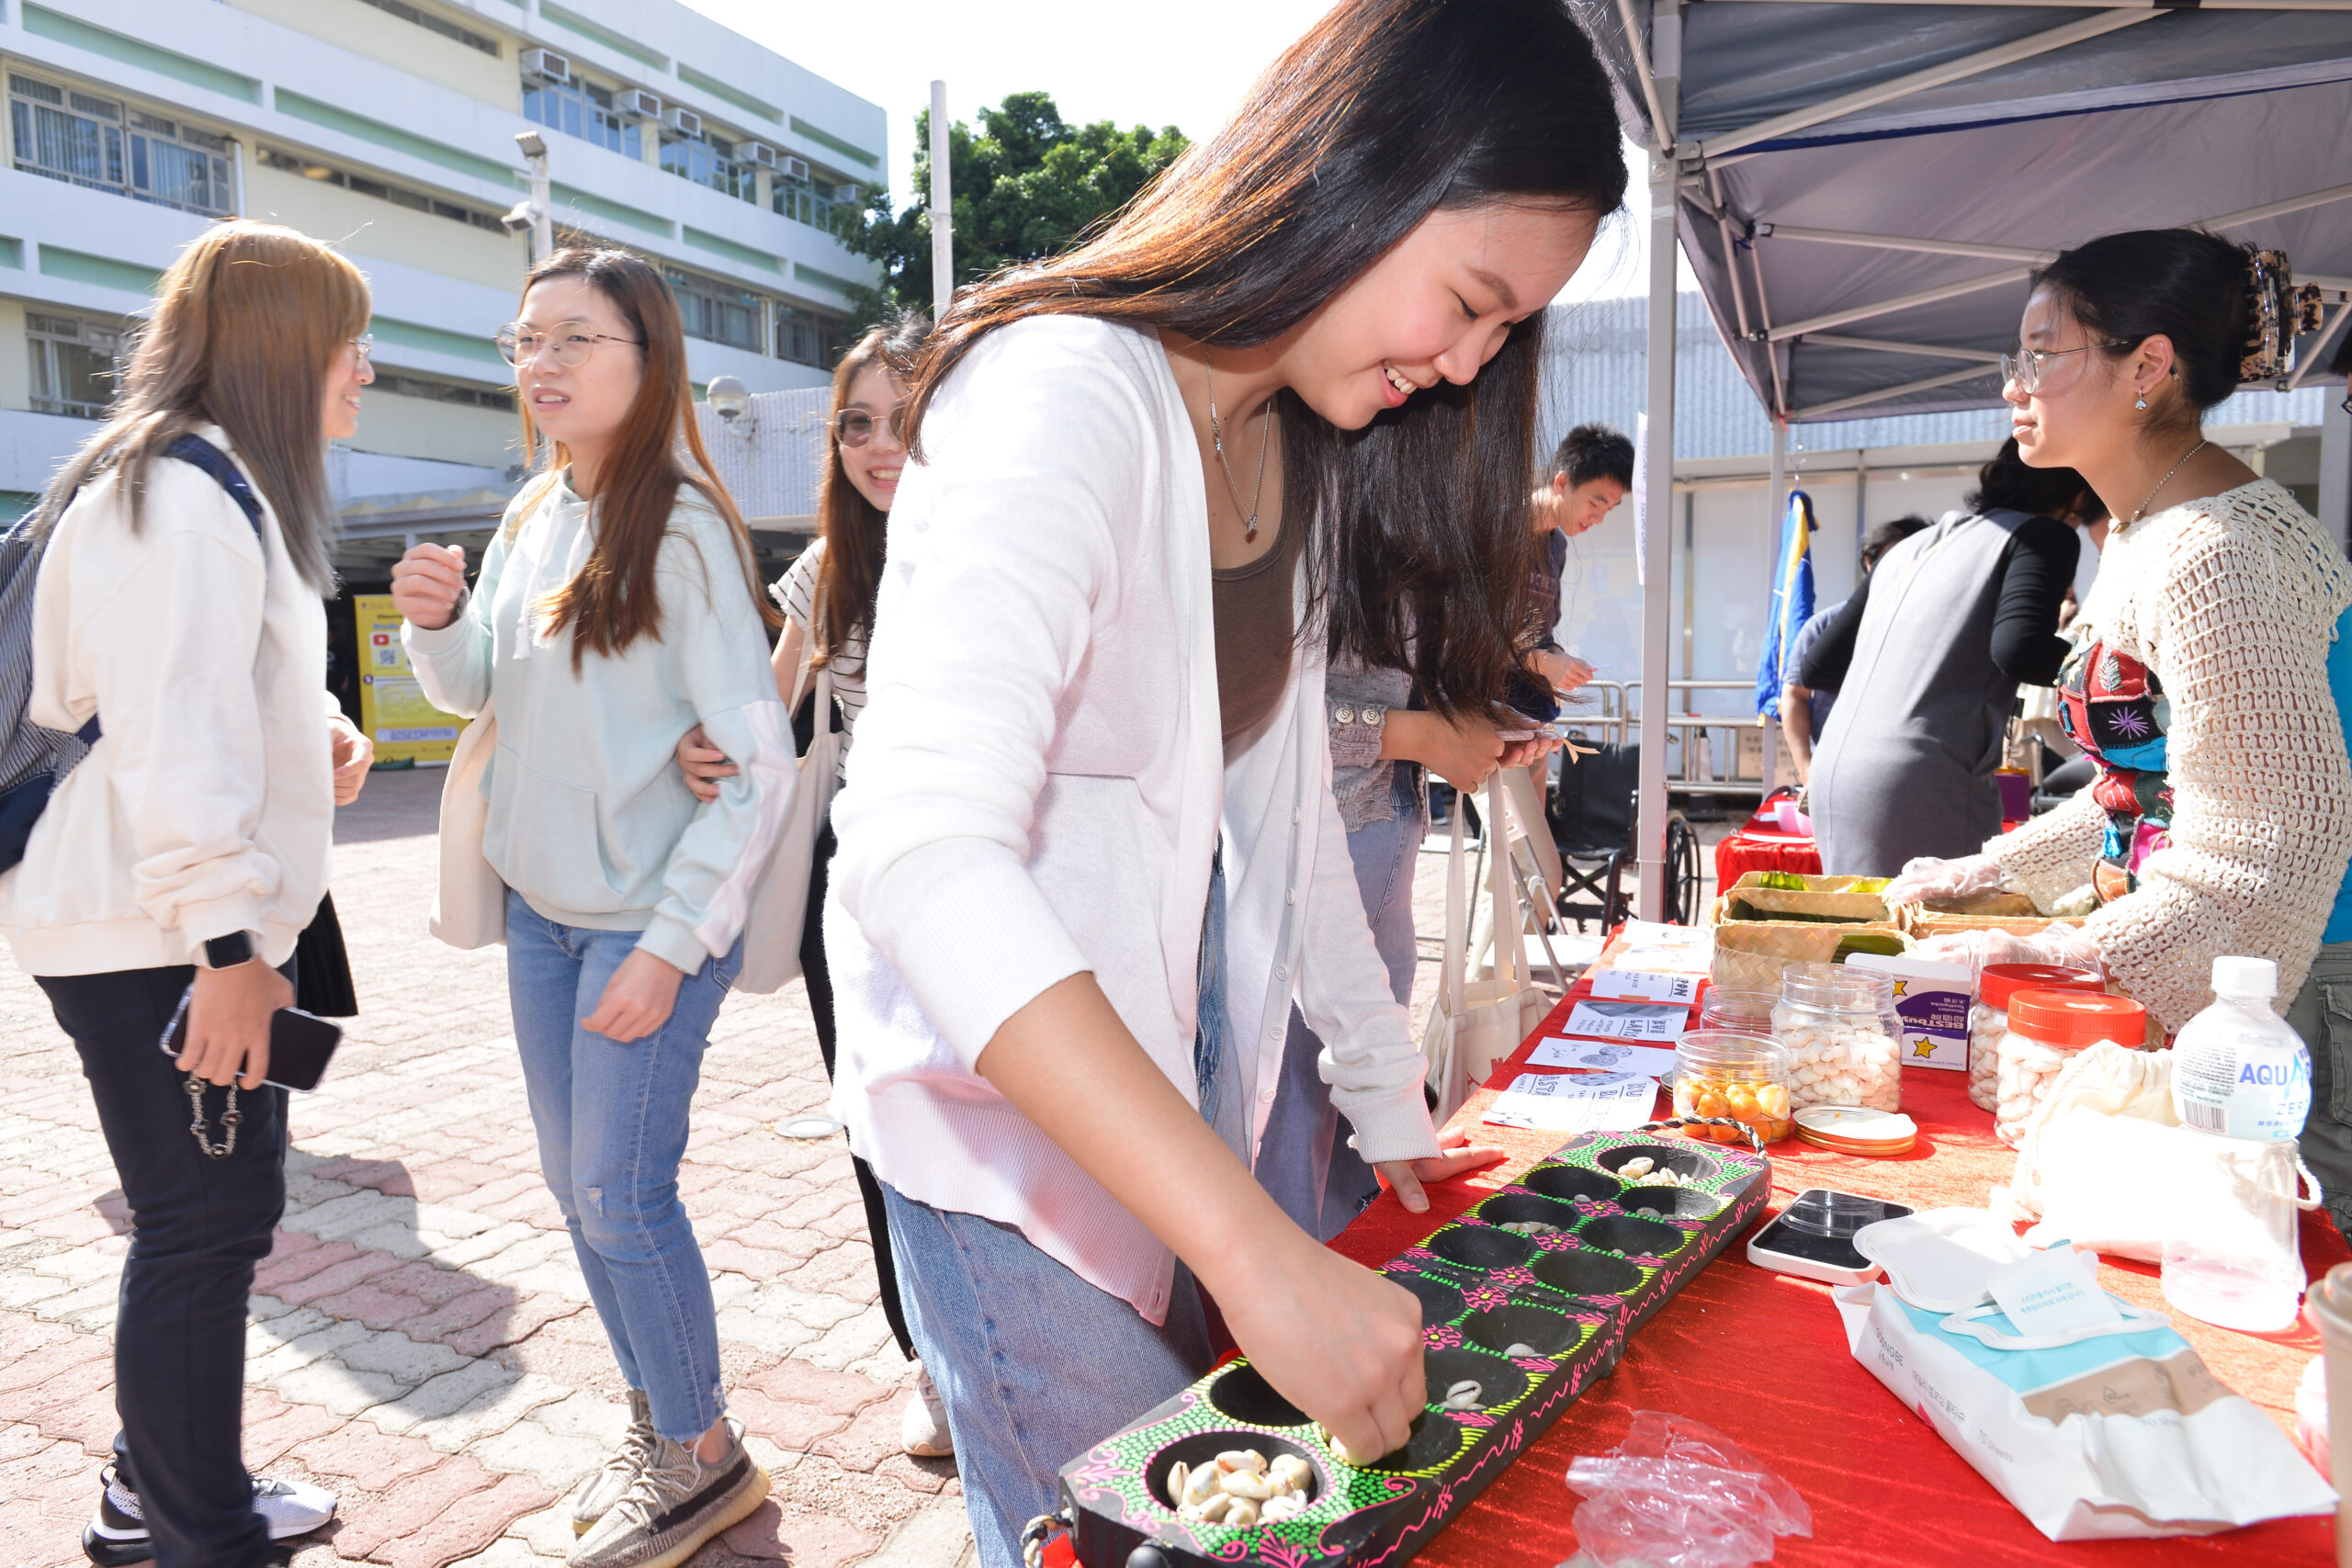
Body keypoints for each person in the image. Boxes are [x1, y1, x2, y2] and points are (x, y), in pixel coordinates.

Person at [820, 2, 1624, 1560]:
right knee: (1139, 1532)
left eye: (1501, 336)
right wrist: (1257, 1252)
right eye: (1469, 302)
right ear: (1354, 170)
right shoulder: (1064, 390)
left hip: (1170, 1072)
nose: (1464, 366)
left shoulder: (1285, 448)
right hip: (1007, 1115)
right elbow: (918, 849)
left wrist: (1387, 1106)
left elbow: (1285, 822)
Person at [390, 248, 790, 1568]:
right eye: (524, 341)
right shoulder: (532, 510)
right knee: (580, 1191)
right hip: (545, 920)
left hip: (638, 924)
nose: (540, 363)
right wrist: (434, 626)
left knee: (620, 1193)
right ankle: (659, 1427)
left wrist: (673, 947)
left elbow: (759, 762)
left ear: (647, 355)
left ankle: (702, 1451)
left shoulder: (676, 531)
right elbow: (470, 692)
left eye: (574, 337)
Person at [0, 221, 369, 1568]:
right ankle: (195, 1530)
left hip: (141, 916)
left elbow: (202, 691)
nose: (363, 372)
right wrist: (228, 948)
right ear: (283, 350)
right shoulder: (181, 493)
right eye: (348, 342)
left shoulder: (181, 485)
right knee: (203, 1221)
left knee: (204, 1214)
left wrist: (315, 722)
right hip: (160, 930)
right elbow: (168, 736)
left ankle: (145, 1489)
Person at [1881, 232, 2352, 1233]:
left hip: (2279, 997)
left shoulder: (2215, 552)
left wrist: (2070, 944)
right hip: (2219, 972)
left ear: (2147, 365)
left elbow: (2270, 840)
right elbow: (2144, 797)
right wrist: (1982, 871)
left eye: (2041, 353)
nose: (2014, 384)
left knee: (2263, 1272)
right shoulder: (2150, 527)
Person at [675, 311, 951, 1458]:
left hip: (986, 864)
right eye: (855, 426)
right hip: (857, 872)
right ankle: (927, 1359)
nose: (878, 447)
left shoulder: (999, 539)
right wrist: (707, 752)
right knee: (876, 1115)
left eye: (903, 419)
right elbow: (765, 716)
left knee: (1001, 1114)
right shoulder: (828, 567)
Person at [1798, 438, 2095, 874]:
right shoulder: (2041, 536)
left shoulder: (1912, 547)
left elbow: (1819, 666)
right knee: (1938, 932)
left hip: (1834, 776)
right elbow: (2019, 649)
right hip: (1920, 779)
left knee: (1867, 934)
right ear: (2078, 495)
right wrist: (2108, 669)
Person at [1780, 515, 1929, 785]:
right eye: (1896, 558)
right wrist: (1807, 768)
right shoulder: (1825, 625)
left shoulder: (1942, 624)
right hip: (1837, 771)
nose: (1908, 567)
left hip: (1922, 772)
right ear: (1869, 563)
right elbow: (1794, 695)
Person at [1525, 422, 1630, 697]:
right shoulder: (1497, 526)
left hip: (1526, 709)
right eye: (1595, 504)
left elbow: (1542, 637)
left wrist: (1563, 662)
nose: (1599, 519)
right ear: (1562, 483)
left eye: (1609, 509)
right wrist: (1545, 664)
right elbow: (1460, 638)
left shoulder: (1557, 545)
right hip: (1476, 712)